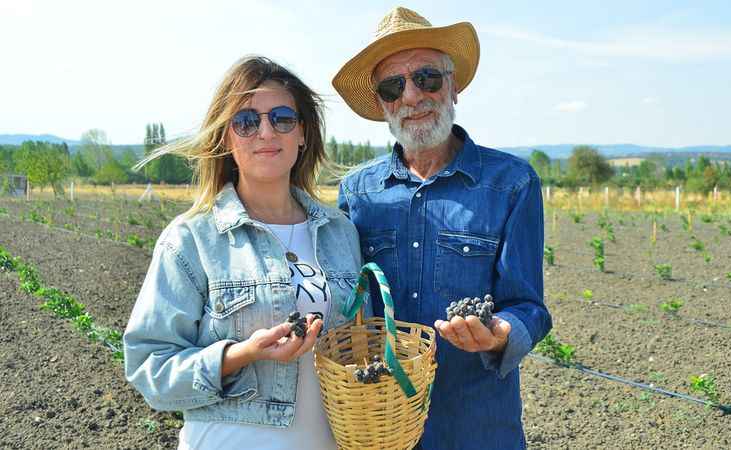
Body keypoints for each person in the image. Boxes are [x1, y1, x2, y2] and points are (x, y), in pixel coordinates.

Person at [334, 7, 552, 450]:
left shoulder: (511, 183)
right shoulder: (357, 192)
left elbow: (528, 305)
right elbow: (347, 305)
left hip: (477, 428)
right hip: (382, 427)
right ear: (382, 104)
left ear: (455, 86)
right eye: (394, 86)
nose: (412, 96)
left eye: (427, 78)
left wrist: (499, 333)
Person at [123, 55, 366, 450]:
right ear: (226, 138)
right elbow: (150, 368)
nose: (266, 131)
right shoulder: (193, 239)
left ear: (303, 133)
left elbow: (362, 345)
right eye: (247, 122)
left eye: (283, 118)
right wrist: (239, 355)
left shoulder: (340, 232)